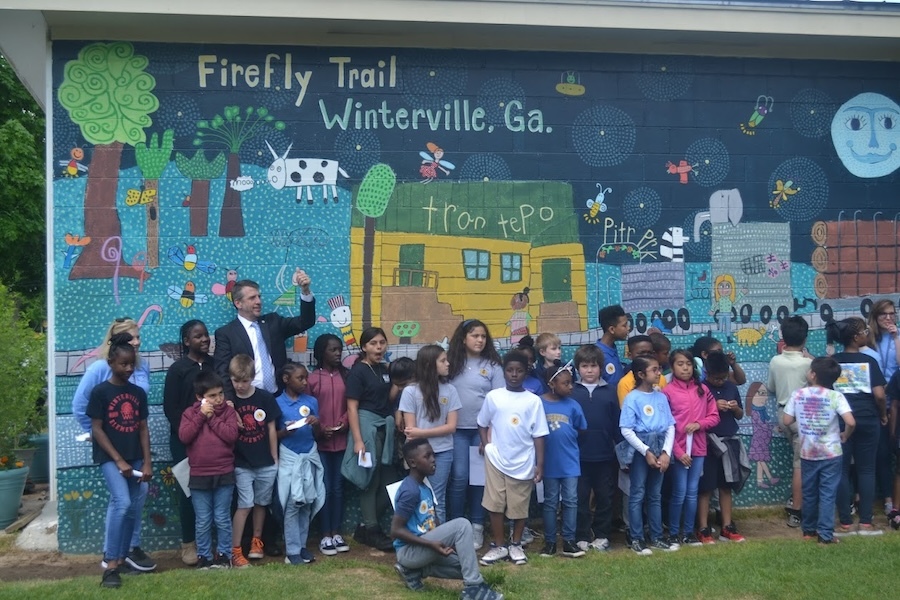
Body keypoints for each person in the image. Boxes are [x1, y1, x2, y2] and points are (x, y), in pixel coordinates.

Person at [73, 318, 155, 573]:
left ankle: (130, 547)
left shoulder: (142, 368)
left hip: (135, 449)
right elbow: (80, 407)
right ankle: (112, 555)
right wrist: (97, 436)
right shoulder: (100, 369)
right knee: (121, 502)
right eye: (132, 338)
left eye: (139, 337)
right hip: (112, 451)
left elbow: (141, 420)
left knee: (136, 499)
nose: (138, 342)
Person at [391, 438, 504, 600]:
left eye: (433, 455)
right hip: (409, 552)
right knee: (462, 524)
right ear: (413, 463)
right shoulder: (410, 491)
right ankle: (473, 589)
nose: (433, 460)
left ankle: (416, 571)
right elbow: (395, 530)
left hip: (424, 550)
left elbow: (433, 524)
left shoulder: (424, 487)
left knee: (467, 567)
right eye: (427, 456)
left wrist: (450, 544)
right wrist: (431, 544)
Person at [477, 351, 548, 566]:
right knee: (495, 503)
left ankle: (515, 544)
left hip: (523, 460)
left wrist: (540, 463)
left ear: (526, 372)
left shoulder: (533, 401)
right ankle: (499, 545)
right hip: (497, 458)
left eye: (519, 371)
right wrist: (487, 445)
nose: (514, 375)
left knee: (519, 504)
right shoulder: (494, 397)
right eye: (510, 370)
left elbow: (539, 434)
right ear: (504, 372)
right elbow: (482, 423)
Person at [783, 357, 856, 544]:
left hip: (808, 452)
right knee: (827, 494)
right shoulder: (835, 396)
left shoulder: (798, 395)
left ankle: (808, 530)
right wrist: (845, 435)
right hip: (831, 453)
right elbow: (850, 422)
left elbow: (786, 421)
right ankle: (825, 535)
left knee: (809, 492)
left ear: (813, 375)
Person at [826, 318, 888, 536]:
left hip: (841, 420)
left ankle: (844, 522)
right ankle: (866, 523)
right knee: (866, 469)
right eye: (865, 331)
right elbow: (880, 395)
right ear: (856, 337)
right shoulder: (869, 361)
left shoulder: (833, 361)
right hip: (868, 418)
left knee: (841, 470)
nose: (867, 334)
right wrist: (882, 415)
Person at [446, 319, 504, 550]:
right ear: (463, 339)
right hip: (457, 431)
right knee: (459, 477)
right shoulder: (451, 363)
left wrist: (488, 435)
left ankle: (477, 526)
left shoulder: (493, 366)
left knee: (479, 481)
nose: (480, 340)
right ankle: (457, 526)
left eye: (483, 336)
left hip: (482, 433)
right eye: (474, 336)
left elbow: (499, 402)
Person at [343, 327, 401, 551]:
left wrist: (399, 383)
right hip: (367, 428)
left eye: (382, 343)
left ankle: (365, 527)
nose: (379, 347)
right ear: (364, 347)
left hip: (384, 428)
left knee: (392, 483)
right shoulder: (358, 371)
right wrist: (358, 440)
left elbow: (386, 400)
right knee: (370, 480)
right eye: (374, 343)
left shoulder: (384, 369)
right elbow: (351, 407)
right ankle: (373, 530)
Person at [213, 275, 316, 397]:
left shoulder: (273, 322)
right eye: (252, 298)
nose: (258, 301)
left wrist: (305, 291)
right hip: (247, 399)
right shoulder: (226, 333)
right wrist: (230, 401)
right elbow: (223, 371)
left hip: (278, 397)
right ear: (238, 303)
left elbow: (306, 321)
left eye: (259, 297)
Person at [162, 319, 212, 566]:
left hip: (214, 439)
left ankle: (212, 543)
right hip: (184, 440)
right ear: (186, 341)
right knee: (188, 492)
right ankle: (188, 543)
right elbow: (170, 408)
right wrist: (188, 432)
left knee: (217, 490)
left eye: (206, 335)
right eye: (198, 336)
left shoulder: (214, 367)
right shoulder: (178, 370)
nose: (204, 339)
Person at [179, 371, 239, 569]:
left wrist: (212, 418)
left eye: (221, 393)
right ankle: (204, 556)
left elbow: (231, 435)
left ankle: (224, 555)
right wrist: (200, 416)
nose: (219, 399)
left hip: (224, 473)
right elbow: (185, 436)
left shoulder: (229, 413)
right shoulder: (189, 414)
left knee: (222, 517)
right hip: (199, 475)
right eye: (212, 396)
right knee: (203, 519)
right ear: (200, 397)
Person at [619, 356, 677, 555]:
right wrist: (645, 451)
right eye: (654, 370)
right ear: (642, 374)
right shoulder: (632, 398)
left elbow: (670, 425)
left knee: (655, 494)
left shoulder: (661, 397)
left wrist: (666, 452)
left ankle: (657, 536)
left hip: (660, 448)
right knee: (637, 493)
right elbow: (626, 429)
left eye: (659, 369)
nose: (659, 373)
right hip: (641, 450)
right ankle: (637, 538)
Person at [228, 354, 281, 567]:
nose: (240, 386)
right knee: (245, 504)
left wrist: (274, 458)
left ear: (252, 377)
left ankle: (256, 541)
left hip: (265, 462)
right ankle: (235, 548)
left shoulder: (265, 398)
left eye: (244, 381)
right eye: (236, 381)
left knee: (262, 503)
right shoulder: (229, 401)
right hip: (242, 463)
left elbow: (271, 429)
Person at [399, 344, 461, 524]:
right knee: (416, 495)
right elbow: (411, 431)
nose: (448, 364)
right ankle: (418, 536)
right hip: (417, 455)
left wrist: (422, 432)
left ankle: (439, 540)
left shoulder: (450, 390)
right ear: (429, 365)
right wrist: (418, 433)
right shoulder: (411, 391)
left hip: (442, 451)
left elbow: (451, 427)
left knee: (437, 497)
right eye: (443, 360)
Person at [664, 349, 719, 547]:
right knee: (679, 491)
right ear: (672, 367)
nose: (685, 367)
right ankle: (673, 533)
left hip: (698, 448)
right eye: (680, 364)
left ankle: (688, 532)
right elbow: (665, 424)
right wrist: (677, 453)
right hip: (678, 450)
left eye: (688, 363)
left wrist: (699, 424)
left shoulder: (702, 389)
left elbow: (714, 416)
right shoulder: (667, 392)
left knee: (692, 491)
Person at [570, 344, 619, 552]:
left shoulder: (610, 391)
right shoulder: (572, 392)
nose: (589, 370)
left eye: (593, 366)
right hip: (578, 456)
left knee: (604, 497)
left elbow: (617, 423)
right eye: (584, 366)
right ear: (577, 368)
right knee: (580, 497)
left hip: (605, 455)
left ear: (601, 367)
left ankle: (601, 534)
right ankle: (581, 534)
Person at [276, 362, 326, 565]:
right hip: (290, 457)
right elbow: (273, 434)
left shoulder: (311, 402)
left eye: (306, 377)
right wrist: (285, 432)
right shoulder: (277, 403)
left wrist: (317, 424)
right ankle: (292, 550)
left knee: (306, 502)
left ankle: (302, 546)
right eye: (300, 378)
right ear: (286, 379)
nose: (305, 382)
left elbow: (319, 435)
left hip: (309, 455)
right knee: (292, 503)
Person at [307, 333, 351, 556]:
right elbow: (306, 408)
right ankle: (324, 535)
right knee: (323, 487)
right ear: (321, 352)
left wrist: (344, 422)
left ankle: (336, 532)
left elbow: (352, 405)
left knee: (337, 487)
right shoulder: (313, 378)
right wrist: (319, 428)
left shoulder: (346, 376)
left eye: (339, 349)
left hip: (341, 441)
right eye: (332, 350)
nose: (337, 353)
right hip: (321, 442)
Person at [696, 351, 747, 544]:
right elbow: (696, 416)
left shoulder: (731, 387)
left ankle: (727, 526)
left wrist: (734, 408)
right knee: (706, 488)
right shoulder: (700, 389)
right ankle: (703, 527)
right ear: (706, 373)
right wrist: (713, 407)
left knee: (726, 486)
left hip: (728, 441)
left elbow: (740, 415)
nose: (720, 381)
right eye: (716, 378)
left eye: (723, 378)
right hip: (708, 443)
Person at [539, 362, 587, 558]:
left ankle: (569, 540)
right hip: (548, 462)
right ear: (552, 384)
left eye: (571, 383)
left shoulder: (573, 405)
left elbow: (581, 430)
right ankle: (550, 542)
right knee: (550, 502)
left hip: (570, 462)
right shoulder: (538, 403)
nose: (570, 387)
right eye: (565, 383)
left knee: (571, 501)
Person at [769, 316, 812, 528]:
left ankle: (796, 500)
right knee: (800, 465)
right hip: (803, 417)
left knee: (798, 462)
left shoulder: (776, 361)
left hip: (783, 413)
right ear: (805, 338)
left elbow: (771, 388)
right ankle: (796, 509)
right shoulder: (809, 363)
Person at [865, 300, 899, 516]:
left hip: (895, 402)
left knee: (891, 451)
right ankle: (883, 498)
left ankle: (891, 500)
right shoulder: (869, 338)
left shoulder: (897, 337)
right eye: (883, 315)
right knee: (879, 453)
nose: (888, 318)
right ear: (876, 317)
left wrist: (895, 337)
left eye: (892, 314)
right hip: (875, 402)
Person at [617, 335, 666, 405]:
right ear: (629, 355)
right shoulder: (624, 383)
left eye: (649, 353)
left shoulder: (661, 378)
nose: (646, 356)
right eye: (641, 353)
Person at [596, 305, 629, 387]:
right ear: (612, 329)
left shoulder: (612, 348)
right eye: (624, 325)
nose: (628, 328)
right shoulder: (598, 354)